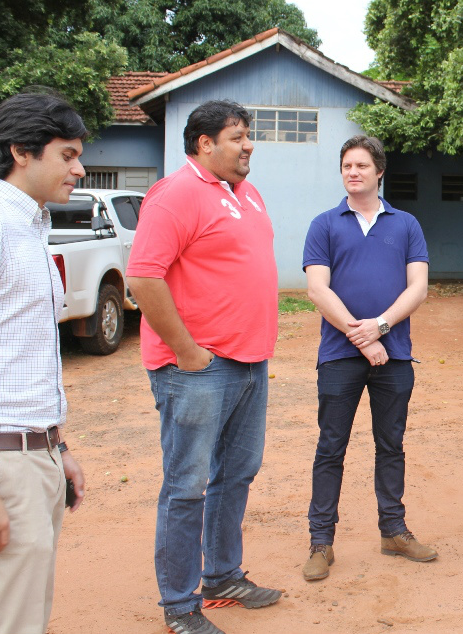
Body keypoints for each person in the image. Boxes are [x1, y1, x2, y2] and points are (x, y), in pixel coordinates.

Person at [126, 100, 281, 634]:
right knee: (186, 485)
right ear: (204, 144)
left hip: (249, 363)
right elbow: (143, 278)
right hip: (197, 368)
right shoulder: (175, 194)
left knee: (236, 474)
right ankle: (179, 604)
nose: (248, 145)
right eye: (237, 137)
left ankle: (221, 575)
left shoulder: (248, 193)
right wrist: (189, 351)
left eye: (248, 136)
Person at [0, 91, 87, 634]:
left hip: (30, 459)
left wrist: (57, 449)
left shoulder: (31, 227)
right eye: (67, 154)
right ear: (21, 151)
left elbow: (19, 359)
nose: (79, 169)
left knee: (23, 619)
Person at [301, 135, 434, 582]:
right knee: (330, 447)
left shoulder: (407, 224)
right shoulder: (324, 224)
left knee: (390, 445)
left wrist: (379, 328)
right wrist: (362, 337)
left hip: (393, 354)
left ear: (379, 172)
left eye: (361, 165)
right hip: (339, 354)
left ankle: (393, 531)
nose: (352, 172)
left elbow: (417, 287)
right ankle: (322, 542)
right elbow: (318, 289)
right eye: (346, 166)